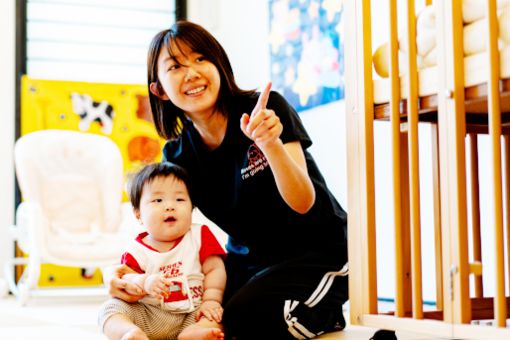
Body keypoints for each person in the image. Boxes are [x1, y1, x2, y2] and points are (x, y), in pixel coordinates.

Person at [108, 20, 349, 339]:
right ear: (160, 90)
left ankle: (325, 314)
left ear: (218, 64)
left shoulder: (265, 110)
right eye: (176, 66)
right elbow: (169, 225)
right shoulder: (177, 155)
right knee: (196, 310)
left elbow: (303, 203)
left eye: (200, 58)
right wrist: (128, 273)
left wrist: (269, 145)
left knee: (243, 318)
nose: (191, 73)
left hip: (319, 249)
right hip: (248, 259)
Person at [99, 162, 227, 340]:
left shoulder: (199, 235)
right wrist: (144, 281)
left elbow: (215, 269)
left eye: (180, 199)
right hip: (149, 313)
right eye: (158, 200)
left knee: (215, 316)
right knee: (110, 309)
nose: (170, 206)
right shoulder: (136, 250)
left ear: (191, 208)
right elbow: (126, 278)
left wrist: (211, 300)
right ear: (138, 214)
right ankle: (130, 333)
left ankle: (194, 334)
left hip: (192, 312)